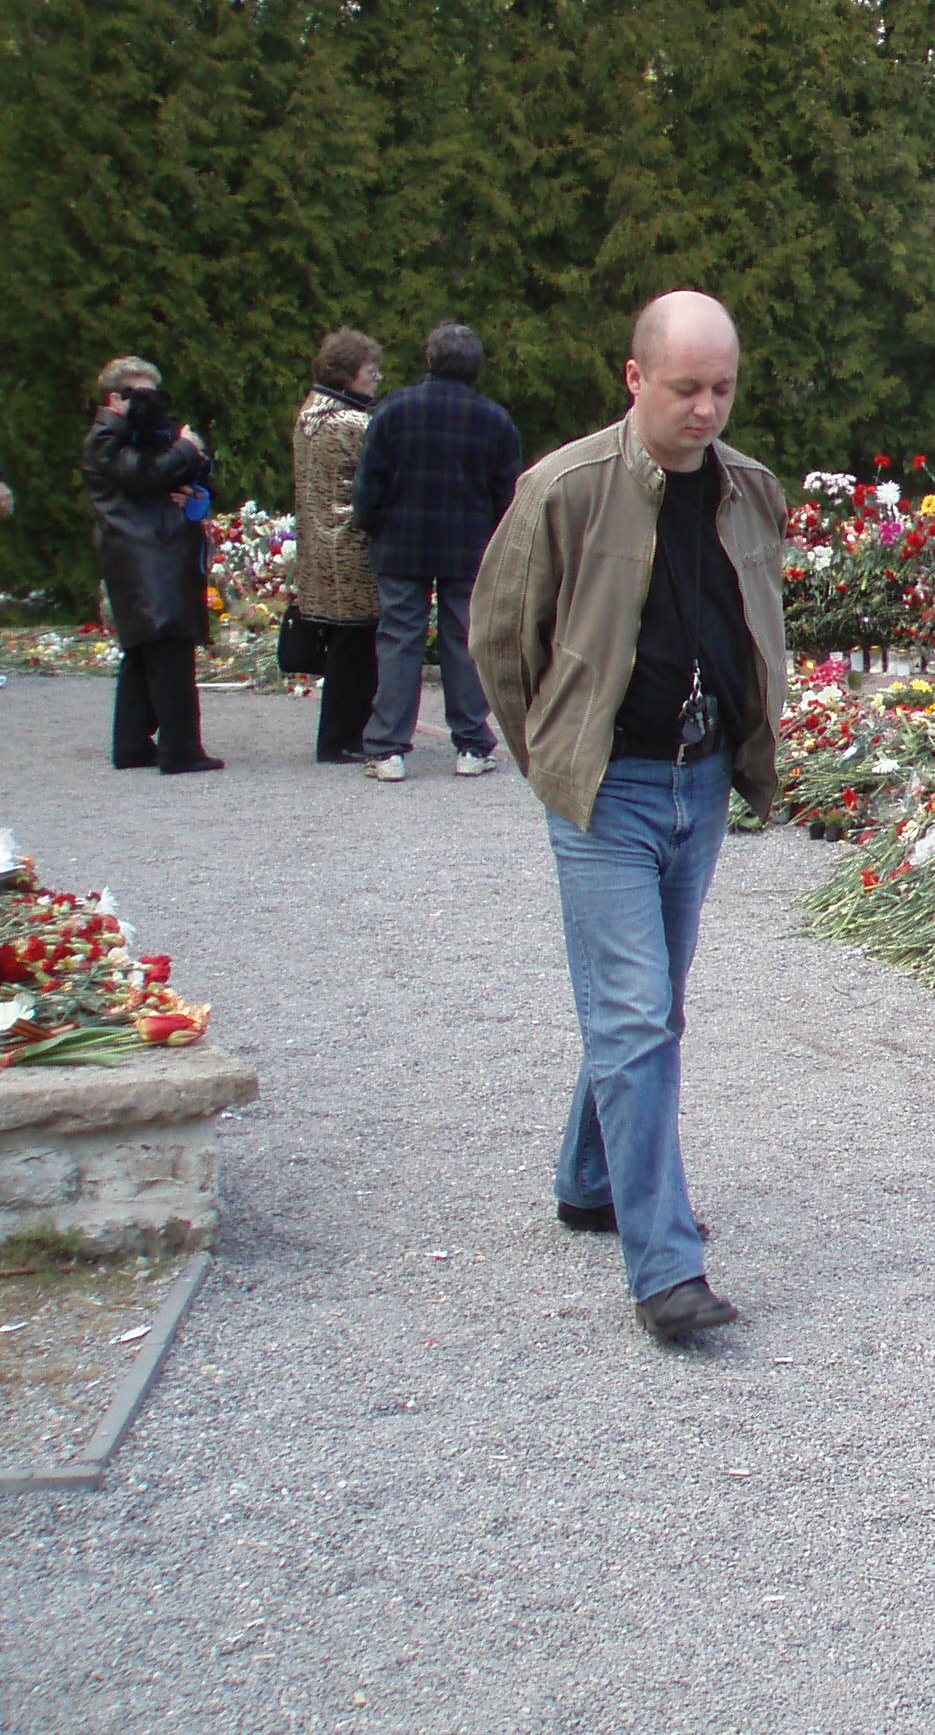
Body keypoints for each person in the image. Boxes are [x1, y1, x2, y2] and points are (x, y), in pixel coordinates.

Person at [470, 290, 786, 1343]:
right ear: (634, 377)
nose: (706, 409)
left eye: (723, 388)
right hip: (607, 791)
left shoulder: (747, 491)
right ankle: (666, 1271)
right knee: (636, 1014)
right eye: (687, 387)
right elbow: (500, 644)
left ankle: (586, 1178)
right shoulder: (563, 489)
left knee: (646, 1004)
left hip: (698, 784)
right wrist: (556, 761)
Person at [352, 321, 522, 781]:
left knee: (398, 642)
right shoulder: (494, 420)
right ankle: (471, 743)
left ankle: (388, 749)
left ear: (429, 359)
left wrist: (374, 526)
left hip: (402, 543)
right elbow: (508, 494)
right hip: (467, 547)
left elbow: (369, 484)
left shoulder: (393, 410)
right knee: (465, 643)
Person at [79, 357, 221, 775]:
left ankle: (133, 744)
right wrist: (185, 448)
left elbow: (158, 476)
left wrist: (188, 463)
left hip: (146, 551)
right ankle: (181, 749)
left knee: (143, 652)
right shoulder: (106, 437)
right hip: (146, 555)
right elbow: (144, 476)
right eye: (140, 394)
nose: (150, 404)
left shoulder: (125, 436)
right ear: (114, 397)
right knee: (170, 649)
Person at [291, 330, 384, 764]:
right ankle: (343, 737)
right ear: (347, 374)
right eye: (370, 371)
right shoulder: (353, 423)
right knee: (356, 649)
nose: (378, 378)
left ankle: (338, 735)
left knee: (344, 645)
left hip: (320, 541)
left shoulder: (311, 413)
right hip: (351, 544)